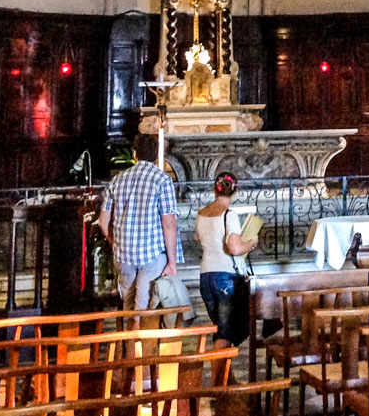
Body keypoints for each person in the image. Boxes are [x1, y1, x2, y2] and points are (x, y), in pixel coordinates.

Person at [99, 133, 182, 310]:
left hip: (124, 254)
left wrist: (115, 242)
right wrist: (172, 262)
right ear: (156, 155)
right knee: (145, 306)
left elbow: (102, 222)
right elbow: (169, 223)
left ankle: (130, 336)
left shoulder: (117, 180)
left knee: (128, 305)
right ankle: (141, 335)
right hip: (152, 254)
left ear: (134, 153)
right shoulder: (162, 180)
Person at [194, 171, 257, 348]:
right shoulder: (229, 215)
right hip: (225, 277)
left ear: (215, 189)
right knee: (224, 335)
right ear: (235, 192)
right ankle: (218, 375)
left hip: (205, 276)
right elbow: (235, 249)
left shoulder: (201, 214)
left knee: (221, 328)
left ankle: (226, 376)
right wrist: (251, 242)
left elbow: (198, 239)